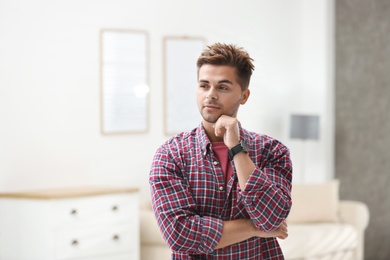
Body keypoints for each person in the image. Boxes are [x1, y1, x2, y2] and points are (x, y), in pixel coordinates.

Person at [149, 43, 292, 259]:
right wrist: (254, 228)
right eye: (204, 86)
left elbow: (271, 219)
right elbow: (179, 235)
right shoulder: (171, 155)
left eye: (223, 87)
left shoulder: (272, 151)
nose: (211, 95)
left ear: (244, 96)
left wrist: (237, 149)